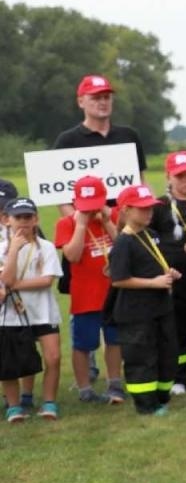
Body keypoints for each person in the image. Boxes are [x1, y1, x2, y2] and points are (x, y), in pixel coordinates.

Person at [107, 183, 179, 416]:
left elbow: (154, 264)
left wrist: (169, 273)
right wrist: (153, 283)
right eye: (142, 209)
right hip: (136, 312)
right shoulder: (122, 243)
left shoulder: (151, 234)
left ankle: (161, 397)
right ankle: (145, 405)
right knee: (142, 357)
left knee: (166, 352)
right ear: (126, 210)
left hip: (160, 307)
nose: (149, 213)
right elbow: (118, 279)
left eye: (150, 208)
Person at [54, 175, 120, 404]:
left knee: (114, 340)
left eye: (95, 205)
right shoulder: (67, 223)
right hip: (85, 295)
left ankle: (115, 384)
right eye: (86, 206)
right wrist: (81, 224)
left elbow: (124, 249)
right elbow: (72, 255)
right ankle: (85, 389)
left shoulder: (113, 217)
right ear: (75, 201)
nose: (92, 210)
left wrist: (109, 222)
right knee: (83, 344)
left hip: (113, 292)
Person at [1, 198, 63, 421]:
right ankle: (15, 406)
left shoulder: (45, 247)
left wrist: (13, 285)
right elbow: (5, 279)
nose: (23, 223)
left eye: (28, 217)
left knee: (53, 357)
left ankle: (49, 403)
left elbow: (46, 280)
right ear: (8, 220)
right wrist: (14, 250)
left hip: (43, 312)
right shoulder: (2, 249)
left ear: (36, 219)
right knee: (10, 362)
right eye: (18, 218)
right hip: (11, 315)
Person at [149, 150, 186, 394]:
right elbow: (149, 241)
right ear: (169, 176)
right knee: (177, 329)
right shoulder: (159, 206)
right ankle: (179, 378)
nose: (185, 180)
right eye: (179, 175)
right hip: (175, 279)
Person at [51, 73, 149, 173]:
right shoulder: (68, 140)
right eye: (96, 98)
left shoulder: (129, 135)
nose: (103, 102)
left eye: (107, 97)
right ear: (81, 102)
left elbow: (140, 179)